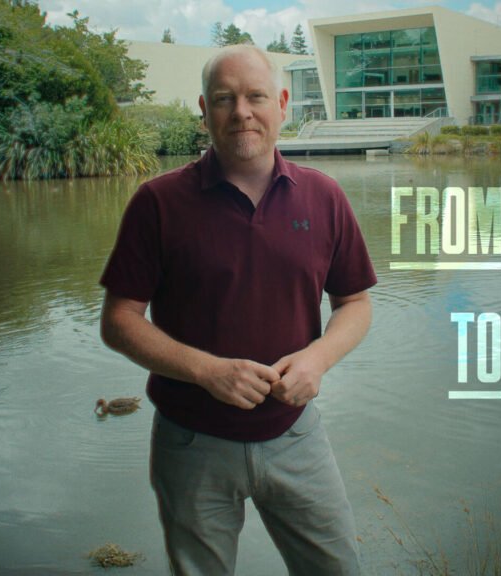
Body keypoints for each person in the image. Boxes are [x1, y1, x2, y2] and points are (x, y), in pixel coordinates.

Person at [98, 44, 376, 575]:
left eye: (255, 96)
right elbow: (118, 321)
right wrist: (207, 371)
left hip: (297, 435)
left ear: (283, 104)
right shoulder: (158, 203)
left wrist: (318, 360)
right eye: (225, 98)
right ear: (204, 110)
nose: (241, 111)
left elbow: (355, 304)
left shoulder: (324, 197)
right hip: (192, 441)